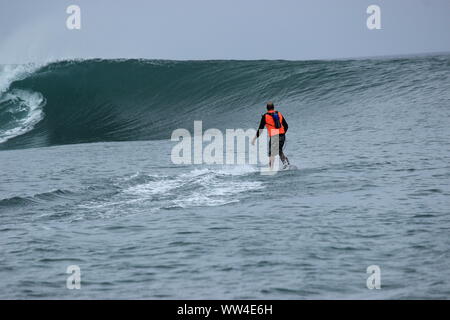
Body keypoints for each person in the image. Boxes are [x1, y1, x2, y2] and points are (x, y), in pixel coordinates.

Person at [251, 102, 290, 169]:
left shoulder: (265, 116)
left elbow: (260, 129)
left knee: (271, 154)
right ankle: (286, 164)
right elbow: (286, 126)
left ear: (267, 108)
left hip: (274, 135)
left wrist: (254, 139)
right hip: (282, 135)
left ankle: (271, 169)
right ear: (273, 107)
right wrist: (282, 134)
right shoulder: (279, 114)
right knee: (279, 150)